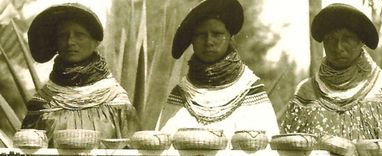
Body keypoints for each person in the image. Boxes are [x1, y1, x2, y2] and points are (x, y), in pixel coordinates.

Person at [157, 0, 279, 145]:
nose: (209, 41)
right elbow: (163, 146)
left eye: (217, 34)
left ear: (229, 37)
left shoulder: (249, 90)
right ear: (192, 41)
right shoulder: (182, 94)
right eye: (201, 35)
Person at [21, 3, 140, 147]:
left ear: (95, 42)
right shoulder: (43, 104)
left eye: (80, 35)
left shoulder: (116, 102)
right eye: (63, 35)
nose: (70, 42)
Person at [281, 3, 382, 140]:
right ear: (324, 43)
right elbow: (288, 147)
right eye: (331, 39)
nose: (338, 47)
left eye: (347, 38)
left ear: (361, 42)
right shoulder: (306, 92)